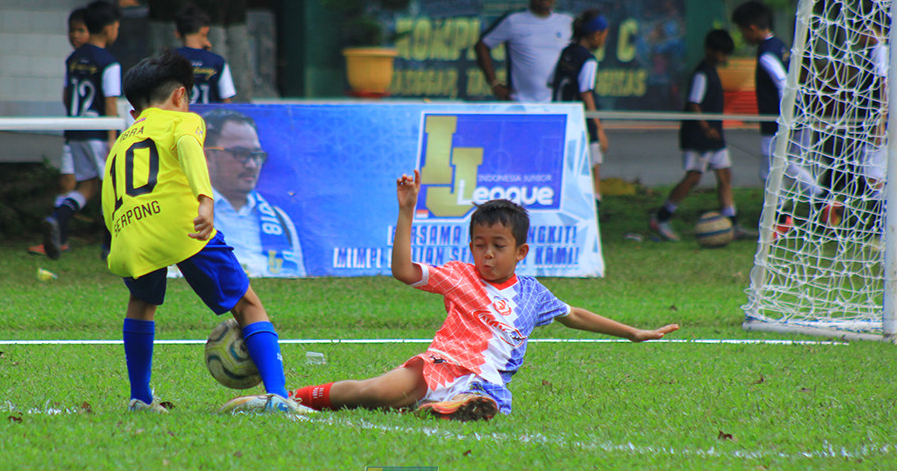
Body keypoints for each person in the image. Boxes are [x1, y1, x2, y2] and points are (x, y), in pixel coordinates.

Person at [232, 170, 678, 421]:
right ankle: (292, 397)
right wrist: (406, 211)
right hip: (440, 364)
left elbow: (573, 314)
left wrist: (633, 333)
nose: (486, 255)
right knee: (372, 393)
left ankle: (455, 406)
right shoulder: (459, 276)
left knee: (468, 399)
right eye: (479, 244)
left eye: (498, 247)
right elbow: (403, 271)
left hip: (486, 382)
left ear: (521, 251)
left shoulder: (532, 293)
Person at [102, 50, 310, 415]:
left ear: (134, 113)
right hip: (181, 226)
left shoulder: (121, 141)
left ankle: (140, 397)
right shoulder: (183, 121)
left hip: (130, 234)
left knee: (142, 304)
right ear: (181, 96)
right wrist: (204, 198)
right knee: (247, 304)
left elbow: (108, 192)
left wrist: (121, 234)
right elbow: (188, 147)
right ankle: (279, 396)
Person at [37, 0, 122, 260]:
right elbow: (110, 101)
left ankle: (57, 217)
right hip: (98, 131)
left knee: (86, 186)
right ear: (109, 29)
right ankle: (110, 246)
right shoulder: (109, 63)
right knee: (114, 188)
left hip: (74, 131)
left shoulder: (73, 58)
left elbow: (66, 95)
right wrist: (112, 138)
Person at [651, 29, 746, 241]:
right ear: (710, 50)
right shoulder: (701, 74)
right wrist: (706, 127)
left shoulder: (712, 72)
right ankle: (661, 218)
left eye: (726, 54)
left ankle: (732, 223)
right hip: (700, 137)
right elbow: (694, 103)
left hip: (715, 137)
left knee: (725, 175)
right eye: (721, 53)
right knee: (693, 177)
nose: (724, 58)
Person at [732, 0, 823, 202]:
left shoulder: (766, 55)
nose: (742, 36)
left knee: (769, 172)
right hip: (798, 116)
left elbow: (783, 84)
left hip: (777, 122)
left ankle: (778, 220)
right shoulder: (779, 44)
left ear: (751, 28)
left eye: (741, 31)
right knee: (789, 166)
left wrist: (787, 116)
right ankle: (823, 200)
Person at [204, 111, 305, 277]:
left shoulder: (280, 220)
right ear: (208, 157)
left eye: (257, 155)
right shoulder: (186, 213)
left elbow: (298, 284)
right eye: (240, 154)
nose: (252, 165)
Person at [474, 0, 572, 103]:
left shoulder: (567, 22)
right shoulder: (514, 21)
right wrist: (495, 84)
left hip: (557, 104)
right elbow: (482, 46)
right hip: (521, 104)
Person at [550, 9, 609, 199]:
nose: (603, 41)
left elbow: (552, 82)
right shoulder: (588, 60)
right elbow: (586, 92)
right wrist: (598, 129)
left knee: (567, 174)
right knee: (593, 176)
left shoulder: (567, 52)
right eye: (604, 36)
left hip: (561, 122)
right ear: (596, 34)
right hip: (582, 124)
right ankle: (593, 217)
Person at [175, 4, 236, 104]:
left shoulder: (168, 59)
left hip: (178, 118)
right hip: (208, 119)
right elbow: (226, 100)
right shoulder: (217, 62)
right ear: (205, 30)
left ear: (177, 34)